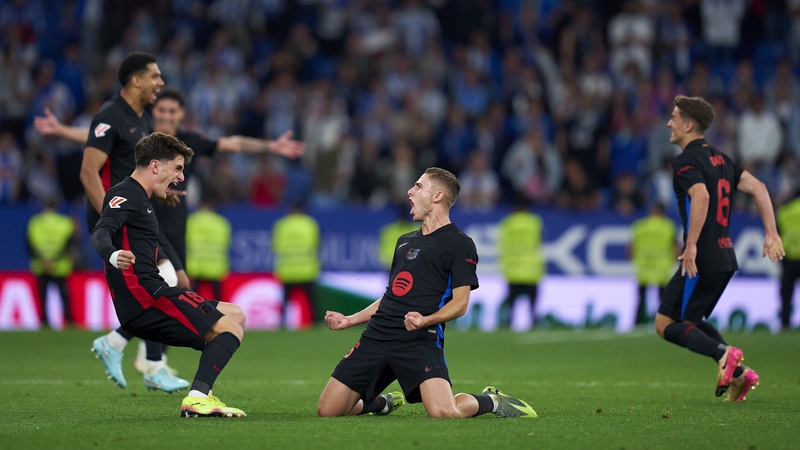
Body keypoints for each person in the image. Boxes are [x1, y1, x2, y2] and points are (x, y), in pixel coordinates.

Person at [34, 84, 304, 383]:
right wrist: (60, 131)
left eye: (171, 111)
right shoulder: (143, 154)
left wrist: (271, 147)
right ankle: (153, 366)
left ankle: (129, 350)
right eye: (160, 109)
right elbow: (99, 139)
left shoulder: (184, 144)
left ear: (181, 114)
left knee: (224, 310)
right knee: (171, 287)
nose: (164, 115)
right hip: (148, 240)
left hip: (167, 229)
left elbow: (231, 143)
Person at [318, 167, 537, 419]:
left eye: (419, 186)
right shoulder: (404, 242)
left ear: (437, 196)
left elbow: (460, 304)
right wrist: (351, 319)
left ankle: (490, 401)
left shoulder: (459, 243)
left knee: (444, 412)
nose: (410, 191)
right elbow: (392, 297)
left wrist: (426, 320)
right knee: (328, 411)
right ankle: (381, 404)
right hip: (378, 336)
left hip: (418, 340)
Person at [91, 131, 246, 418]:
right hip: (147, 298)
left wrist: (177, 267)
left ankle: (203, 392)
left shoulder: (144, 199)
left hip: (152, 296)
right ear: (154, 166)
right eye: (177, 168)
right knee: (230, 330)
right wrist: (113, 255)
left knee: (235, 315)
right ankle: (197, 399)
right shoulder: (125, 193)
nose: (181, 176)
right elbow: (101, 230)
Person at [656, 95, 785, 403]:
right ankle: (741, 375)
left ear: (689, 125)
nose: (669, 123)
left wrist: (690, 248)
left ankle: (725, 355)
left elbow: (700, 197)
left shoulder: (685, 161)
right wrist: (772, 233)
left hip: (701, 259)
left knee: (665, 324)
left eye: (674, 117)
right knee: (691, 321)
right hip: (726, 256)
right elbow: (759, 188)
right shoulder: (721, 159)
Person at [496, 195, 545, 329]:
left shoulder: (507, 223)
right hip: (531, 269)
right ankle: (534, 322)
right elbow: (539, 241)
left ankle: (508, 323)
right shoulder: (534, 222)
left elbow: (502, 244)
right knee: (533, 303)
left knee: (512, 302)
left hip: (513, 269)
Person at [26, 200, 77, 329]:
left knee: (43, 295)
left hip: (40, 264)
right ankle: (69, 320)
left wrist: (43, 259)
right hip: (60, 265)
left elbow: (29, 244)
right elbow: (69, 244)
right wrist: (54, 259)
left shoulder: (35, 222)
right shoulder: (65, 222)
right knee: (64, 295)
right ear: (57, 206)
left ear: (43, 206)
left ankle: (44, 321)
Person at [271, 201, 321, 326]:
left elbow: (276, 246)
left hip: (288, 270)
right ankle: (315, 324)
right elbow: (316, 244)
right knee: (312, 302)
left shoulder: (282, 225)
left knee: (285, 302)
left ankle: (282, 324)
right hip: (307, 270)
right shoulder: (310, 224)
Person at [628, 202, 678, 325]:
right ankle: (665, 322)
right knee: (663, 298)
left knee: (641, 298)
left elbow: (631, 247)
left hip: (644, 266)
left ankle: (637, 323)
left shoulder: (640, 225)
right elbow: (675, 247)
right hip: (662, 267)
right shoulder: (668, 226)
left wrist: (633, 258)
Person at [186, 193, 231, 302]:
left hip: (196, 264)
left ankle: (192, 316)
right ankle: (220, 315)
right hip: (215, 265)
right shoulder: (221, 223)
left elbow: (185, 240)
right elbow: (226, 243)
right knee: (217, 296)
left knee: (193, 297)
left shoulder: (191, 221)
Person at [777, 189, 800, 330]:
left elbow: (778, 234)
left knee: (786, 293)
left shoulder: (784, 212)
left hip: (789, 258)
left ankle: (785, 324)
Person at [377, 203, 419, 270]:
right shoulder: (387, 231)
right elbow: (381, 249)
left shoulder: (416, 229)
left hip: (406, 265)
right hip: (392, 265)